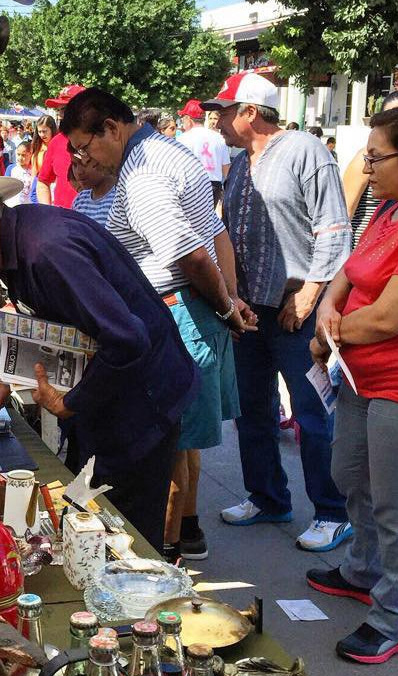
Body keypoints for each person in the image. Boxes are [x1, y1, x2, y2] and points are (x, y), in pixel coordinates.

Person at [0, 163, 198, 550]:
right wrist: (10, 370)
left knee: (122, 539)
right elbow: (51, 324)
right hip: (110, 395)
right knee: (86, 514)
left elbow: (128, 340)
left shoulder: (47, 250)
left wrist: (72, 402)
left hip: (141, 404)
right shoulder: (14, 243)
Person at [63, 88, 249, 563]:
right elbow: (215, 232)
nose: (83, 159)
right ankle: (183, 535)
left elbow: (190, 253)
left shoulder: (143, 174)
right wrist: (228, 299)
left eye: (85, 147)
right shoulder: (167, 152)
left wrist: (226, 307)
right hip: (188, 309)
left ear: (111, 128)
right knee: (181, 439)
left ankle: (165, 557)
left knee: (165, 443)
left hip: (177, 311)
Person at [306, 104, 398, 665]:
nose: (367, 168)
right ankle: (364, 570)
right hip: (360, 378)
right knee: (351, 475)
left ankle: (397, 616)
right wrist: (327, 311)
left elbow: (393, 318)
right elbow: (349, 270)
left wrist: (326, 337)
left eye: (376, 157)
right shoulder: (391, 209)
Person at [202, 70, 353, 552]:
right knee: (252, 409)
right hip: (251, 308)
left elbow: (333, 227)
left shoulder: (306, 150)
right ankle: (268, 497)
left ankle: (332, 512)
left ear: (250, 112)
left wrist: (311, 292)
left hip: (295, 308)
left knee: (312, 411)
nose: (216, 120)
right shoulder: (240, 162)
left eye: (223, 111)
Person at [341, 90, 398, 249]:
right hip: (363, 253)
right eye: (389, 117)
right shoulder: (366, 158)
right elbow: (343, 214)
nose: (393, 125)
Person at [176, 99, 231, 209]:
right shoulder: (219, 138)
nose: (182, 122)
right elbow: (226, 169)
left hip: (192, 185)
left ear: (188, 118)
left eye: (183, 118)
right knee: (209, 221)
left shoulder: (182, 139)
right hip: (214, 186)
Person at [37, 84, 84, 208]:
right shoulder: (56, 142)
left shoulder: (101, 140)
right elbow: (42, 182)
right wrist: (47, 212)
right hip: (63, 220)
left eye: (67, 108)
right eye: (60, 109)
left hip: (94, 221)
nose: (62, 114)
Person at [70, 156, 117, 226]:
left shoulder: (119, 195)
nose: (79, 172)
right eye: (74, 164)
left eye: (84, 163)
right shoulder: (79, 200)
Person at [4, 140, 35, 207]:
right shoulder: (11, 168)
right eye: (18, 154)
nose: (20, 158)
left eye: (23, 155)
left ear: (30, 154)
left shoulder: (34, 170)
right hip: (12, 205)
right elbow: (5, 187)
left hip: (28, 206)